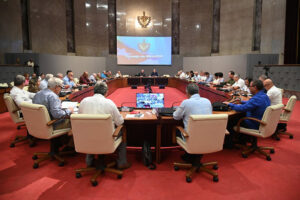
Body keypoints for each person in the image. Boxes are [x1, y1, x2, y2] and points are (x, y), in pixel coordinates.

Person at [79, 81, 131, 169]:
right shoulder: (109, 103)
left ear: (94, 91)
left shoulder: (84, 101)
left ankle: (89, 161)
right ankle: (122, 162)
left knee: (89, 130)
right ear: (106, 92)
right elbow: (120, 122)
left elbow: (79, 117)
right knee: (122, 130)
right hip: (106, 139)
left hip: (87, 138)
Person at [173, 83, 212, 162]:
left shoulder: (186, 102)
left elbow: (176, 117)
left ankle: (189, 155)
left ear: (187, 93)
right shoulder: (207, 101)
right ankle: (195, 156)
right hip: (207, 137)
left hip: (191, 138)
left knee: (177, 130)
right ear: (198, 91)